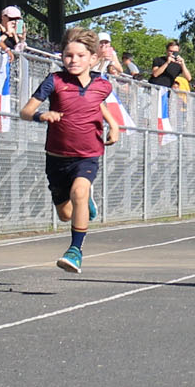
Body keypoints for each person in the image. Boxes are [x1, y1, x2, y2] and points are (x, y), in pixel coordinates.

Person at [19, 27, 120, 273]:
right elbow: (25, 111)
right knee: (65, 214)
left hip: (88, 154)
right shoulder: (54, 81)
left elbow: (98, 104)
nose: (73, 60)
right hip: (57, 157)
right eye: (68, 56)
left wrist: (114, 125)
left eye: (80, 56)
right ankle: (85, 205)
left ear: (93, 58)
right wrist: (43, 115)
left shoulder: (103, 85)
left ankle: (75, 251)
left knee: (80, 191)